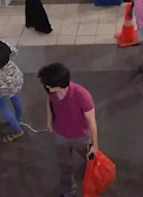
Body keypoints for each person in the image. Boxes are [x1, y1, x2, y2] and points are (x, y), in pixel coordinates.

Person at [38, 63, 98, 197]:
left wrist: (95, 145)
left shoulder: (82, 95)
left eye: (48, 84)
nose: (46, 86)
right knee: (64, 166)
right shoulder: (51, 92)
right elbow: (50, 102)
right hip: (61, 135)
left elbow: (91, 121)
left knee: (91, 159)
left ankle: (93, 178)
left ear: (59, 85)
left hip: (81, 137)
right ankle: (69, 192)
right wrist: (49, 120)